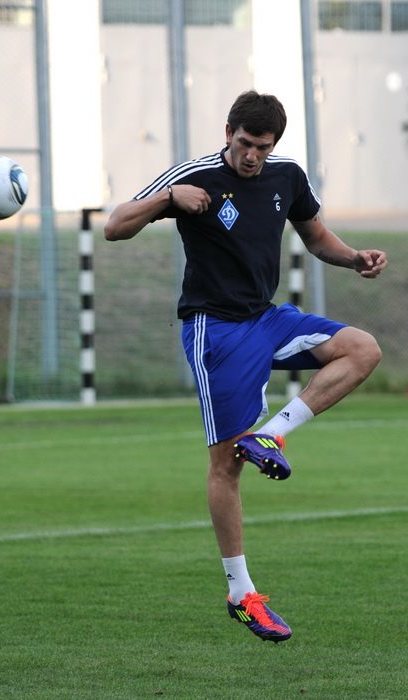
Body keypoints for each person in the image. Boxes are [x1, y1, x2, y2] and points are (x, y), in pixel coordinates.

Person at [104, 90, 388, 643]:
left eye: (262, 146)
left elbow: (316, 237)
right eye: (244, 143)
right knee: (226, 465)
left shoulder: (287, 175)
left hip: (267, 318)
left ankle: (272, 435)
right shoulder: (194, 176)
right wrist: (168, 198)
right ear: (227, 132)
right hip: (215, 330)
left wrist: (354, 258)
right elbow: (115, 226)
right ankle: (241, 593)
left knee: (363, 349)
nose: (252, 155)